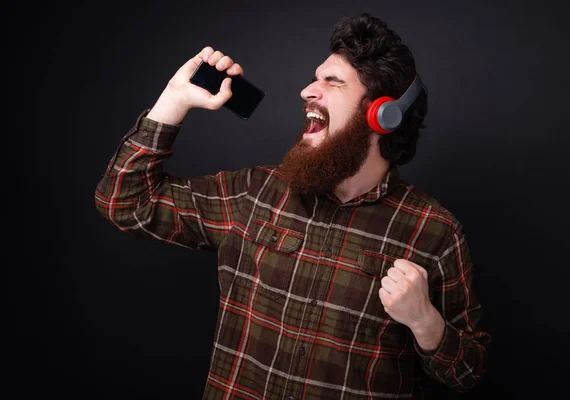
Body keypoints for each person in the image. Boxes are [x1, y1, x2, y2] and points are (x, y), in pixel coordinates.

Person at [95, 12, 491, 399]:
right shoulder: (255, 192)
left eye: (332, 82)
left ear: (382, 115)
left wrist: (425, 322)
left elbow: (468, 373)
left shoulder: (435, 231)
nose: (307, 91)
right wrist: (175, 99)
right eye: (315, 78)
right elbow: (124, 201)